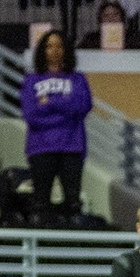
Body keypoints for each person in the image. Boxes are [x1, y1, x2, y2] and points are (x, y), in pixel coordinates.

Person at [22, 30, 92, 225]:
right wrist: (65, 111)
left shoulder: (78, 79)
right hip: (40, 147)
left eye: (59, 46)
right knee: (41, 202)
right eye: (49, 46)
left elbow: (83, 106)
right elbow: (32, 116)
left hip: (72, 146)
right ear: (42, 50)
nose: (54, 51)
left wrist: (50, 104)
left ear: (66, 50)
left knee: (73, 202)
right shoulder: (31, 80)